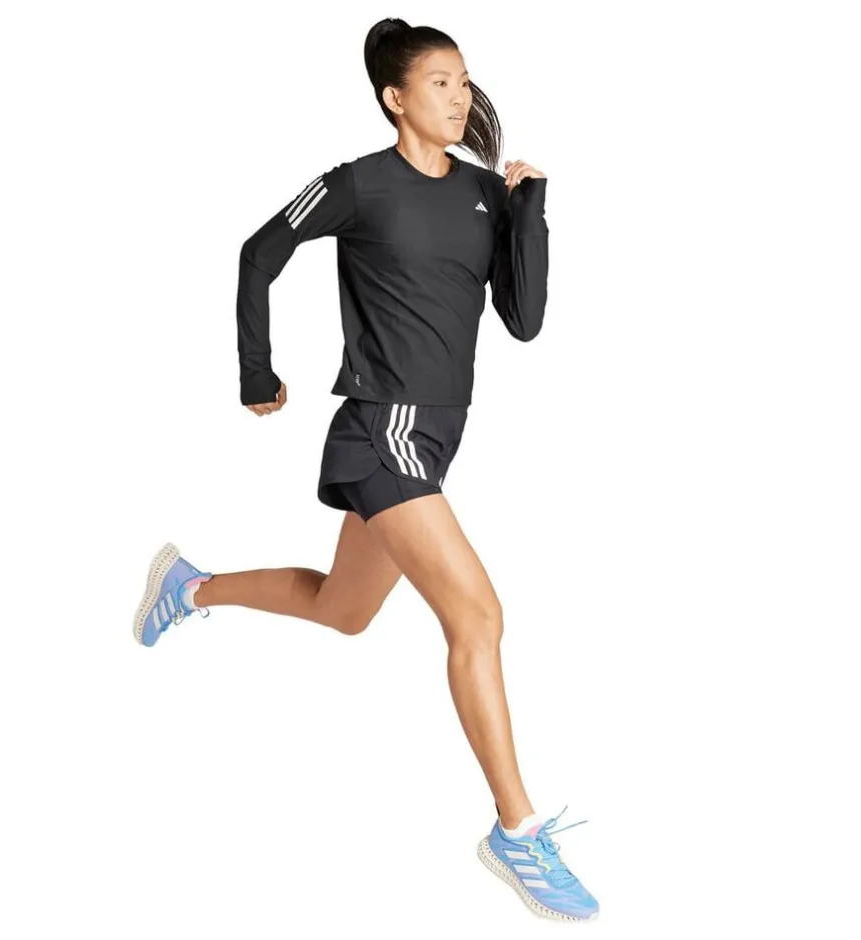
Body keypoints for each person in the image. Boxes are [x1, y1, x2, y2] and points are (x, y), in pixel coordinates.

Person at [131, 17, 598, 922]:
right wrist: (256, 372)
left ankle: (188, 586)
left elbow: (526, 319)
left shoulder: (482, 192)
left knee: (342, 610)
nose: (459, 96)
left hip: (436, 435)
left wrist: (531, 207)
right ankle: (517, 829)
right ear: (395, 96)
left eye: (464, 81)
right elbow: (259, 252)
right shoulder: (359, 184)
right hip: (384, 428)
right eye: (439, 82)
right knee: (479, 615)